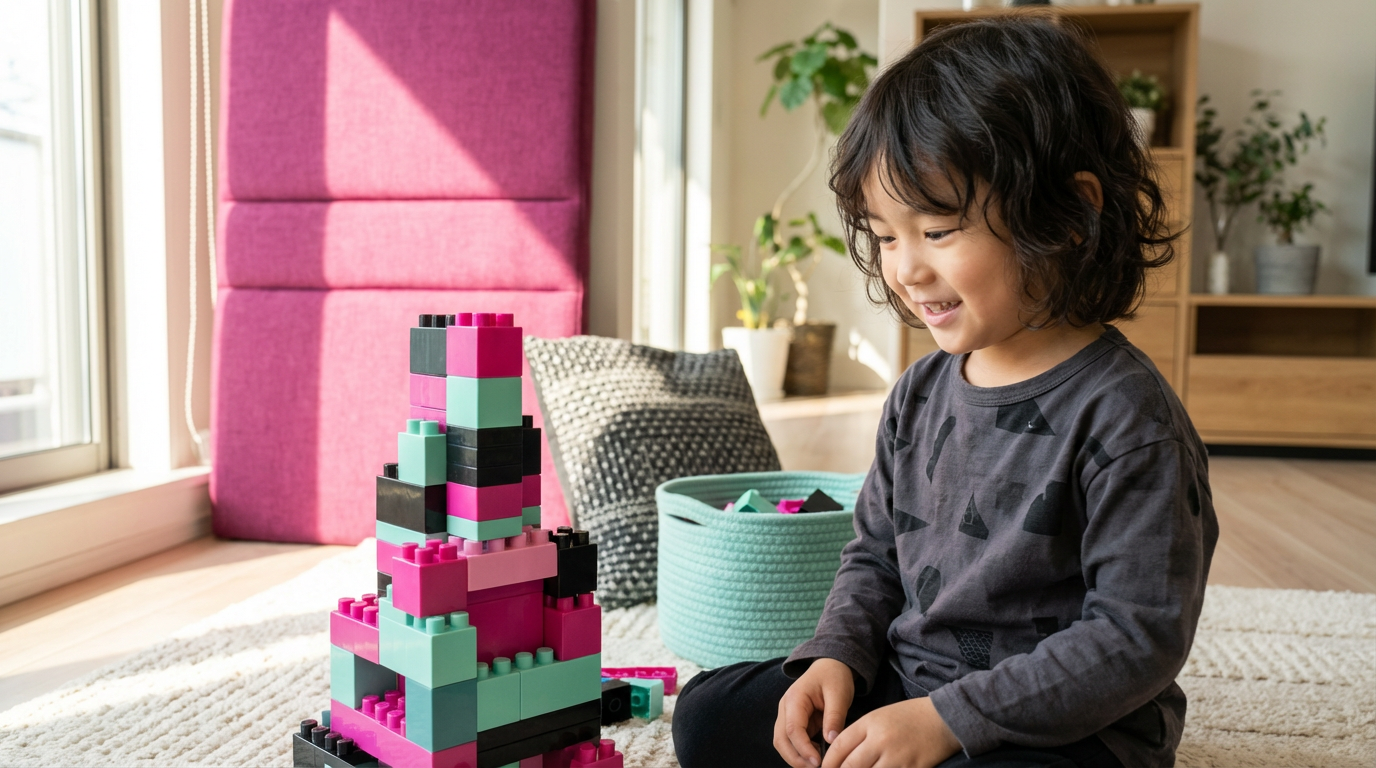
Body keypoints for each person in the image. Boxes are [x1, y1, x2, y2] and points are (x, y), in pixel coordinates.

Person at [672, 14, 1217, 768]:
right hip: (908, 686)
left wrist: (947, 721)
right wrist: (834, 658)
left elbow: (1135, 638)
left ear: (1070, 216)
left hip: (1064, 727)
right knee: (707, 715)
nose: (905, 270)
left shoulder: (1129, 421)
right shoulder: (919, 393)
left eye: (938, 229)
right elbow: (874, 558)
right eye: (886, 235)